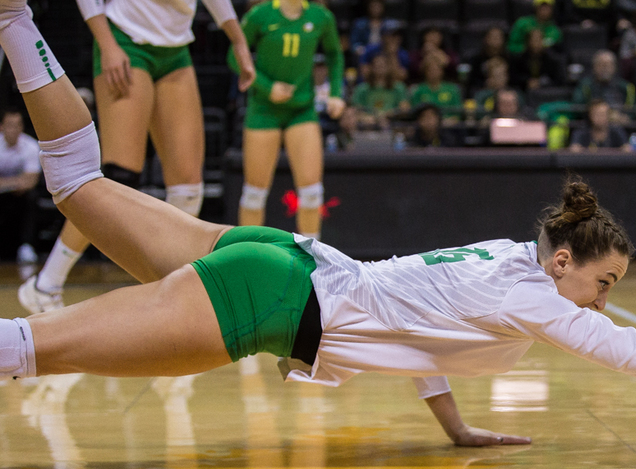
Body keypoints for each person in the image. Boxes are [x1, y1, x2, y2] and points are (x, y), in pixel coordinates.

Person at [0, 2, 636, 449]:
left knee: (77, 181)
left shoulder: (502, 259)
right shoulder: (534, 299)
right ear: (564, 262)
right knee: (27, 351)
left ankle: (15, 20)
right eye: (603, 284)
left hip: (282, 260)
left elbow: (420, 336)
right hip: (276, 297)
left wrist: (455, 427)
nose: (604, 303)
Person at [17, 0, 256, 314]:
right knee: (118, 178)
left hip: (176, 49)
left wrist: (238, 39)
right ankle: (46, 284)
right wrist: (107, 44)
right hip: (125, 39)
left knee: (189, 186)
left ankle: (172, 289)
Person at [230, 0, 345, 241]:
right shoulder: (260, 15)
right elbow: (234, 56)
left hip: (301, 110)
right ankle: (248, 254)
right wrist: (266, 86)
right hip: (264, 109)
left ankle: (311, 257)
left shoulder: (321, 17)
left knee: (312, 193)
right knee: (254, 194)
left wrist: (335, 92)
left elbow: (335, 54)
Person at [0, 108, 40, 264]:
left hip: (21, 195)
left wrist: (6, 183)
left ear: (22, 127)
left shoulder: (31, 146)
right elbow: (24, 179)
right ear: (2, 127)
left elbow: (31, 180)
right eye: (10, 125)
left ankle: (26, 246)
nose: (14, 129)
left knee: (32, 197)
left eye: (17, 125)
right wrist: (17, 181)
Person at [350, 52, 409, 127]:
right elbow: (355, 110)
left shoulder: (399, 88)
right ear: (371, 67)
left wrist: (388, 115)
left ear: (389, 67)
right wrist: (367, 118)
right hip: (367, 126)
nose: (380, 67)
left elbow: (405, 109)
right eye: (376, 65)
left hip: (393, 124)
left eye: (383, 65)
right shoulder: (361, 89)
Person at [572, 50, 636, 118]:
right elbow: (577, 108)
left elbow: (633, 112)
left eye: (608, 65)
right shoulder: (585, 85)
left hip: (619, 122)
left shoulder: (626, 87)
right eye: (601, 64)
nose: (605, 68)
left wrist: (623, 117)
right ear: (594, 67)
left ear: (614, 67)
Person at [509, 28, 565, 92]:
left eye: (538, 40)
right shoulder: (519, 60)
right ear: (528, 42)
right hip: (524, 90)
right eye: (533, 40)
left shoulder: (552, 59)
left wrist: (541, 82)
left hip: (546, 91)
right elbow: (514, 78)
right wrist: (527, 81)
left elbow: (558, 80)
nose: (536, 43)